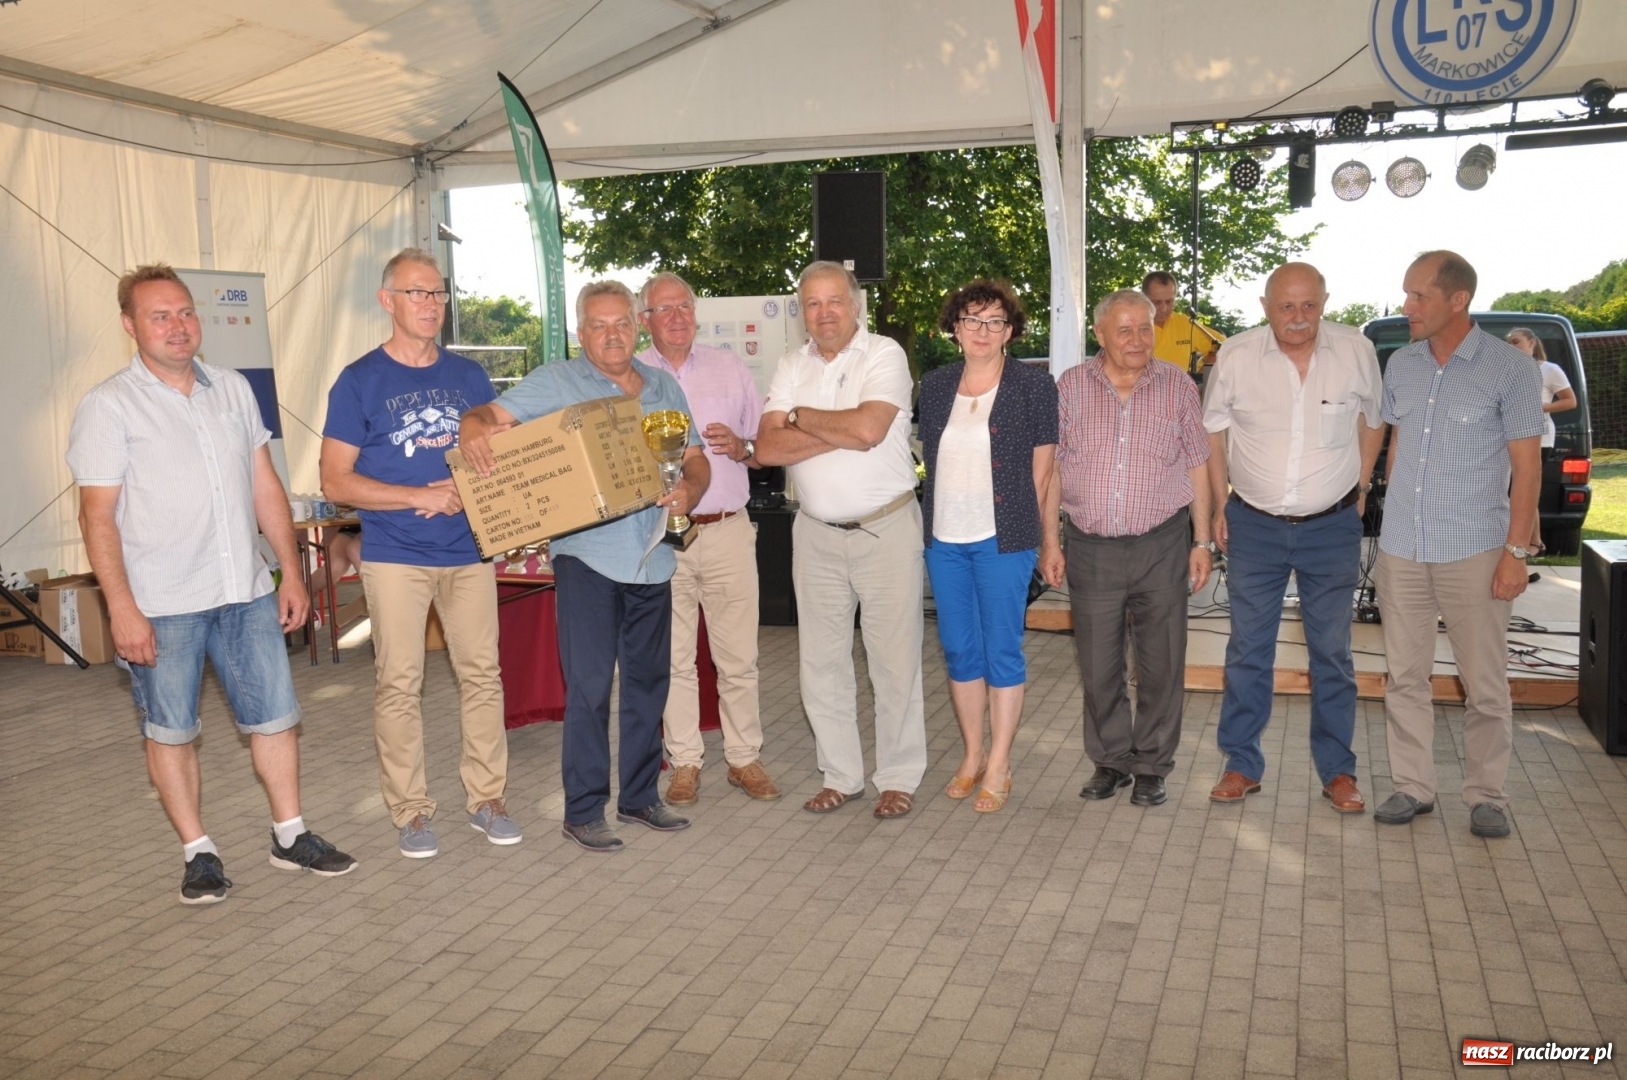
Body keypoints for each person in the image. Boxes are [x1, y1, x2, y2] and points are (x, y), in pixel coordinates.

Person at [67, 264, 356, 905]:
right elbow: (97, 517)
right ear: (129, 325)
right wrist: (122, 609)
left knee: (276, 718)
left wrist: (289, 573)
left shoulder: (231, 388)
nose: (177, 326)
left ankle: (290, 834)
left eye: (184, 312)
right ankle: (199, 853)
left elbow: (263, 485)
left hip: (245, 590)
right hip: (161, 603)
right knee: (171, 729)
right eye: (159, 316)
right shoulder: (108, 405)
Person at [459, 281, 709, 852]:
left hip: (655, 559)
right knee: (590, 689)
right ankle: (583, 809)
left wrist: (690, 492)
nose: (612, 334)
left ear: (637, 327)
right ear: (581, 333)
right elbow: (486, 415)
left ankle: (641, 797)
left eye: (621, 323)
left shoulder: (664, 386)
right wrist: (473, 429)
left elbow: (694, 459)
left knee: (649, 685)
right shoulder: (557, 380)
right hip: (588, 559)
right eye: (598, 325)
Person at [321, 248, 517, 859]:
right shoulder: (358, 381)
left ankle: (487, 800)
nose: (431, 305)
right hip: (395, 554)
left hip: (469, 552)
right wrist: (416, 496)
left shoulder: (470, 378)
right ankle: (410, 812)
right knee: (399, 684)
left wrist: (469, 490)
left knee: (483, 677)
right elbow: (334, 481)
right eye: (417, 293)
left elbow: (500, 457)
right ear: (388, 301)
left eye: (437, 294)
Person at [1202, 262, 1384, 813]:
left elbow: (1373, 420)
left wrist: (1360, 487)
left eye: (1309, 305)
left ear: (1325, 302)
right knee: (1247, 651)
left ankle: (1338, 772)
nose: (1298, 318)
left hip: (1331, 528)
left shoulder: (1356, 351)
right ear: (1265, 306)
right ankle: (1241, 763)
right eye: (1286, 306)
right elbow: (1213, 432)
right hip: (1253, 525)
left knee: (1333, 653)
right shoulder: (1235, 355)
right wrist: (1217, 505)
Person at [1372, 251, 1543, 839]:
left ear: (1457, 300)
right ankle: (1411, 787)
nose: (1407, 306)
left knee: (1485, 684)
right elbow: (1397, 446)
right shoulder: (1402, 364)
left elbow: (1527, 469)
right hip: (1402, 547)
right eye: (1406, 294)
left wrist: (1515, 554)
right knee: (1404, 677)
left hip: (1475, 548)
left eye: (1418, 296)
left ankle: (1487, 795)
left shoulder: (1510, 370)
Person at [755, 261, 927, 819]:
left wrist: (801, 417)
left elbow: (870, 430)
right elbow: (767, 450)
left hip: (886, 529)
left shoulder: (883, 354)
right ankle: (842, 776)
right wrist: (840, 429)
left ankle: (898, 777)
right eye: (812, 303)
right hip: (815, 534)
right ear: (801, 313)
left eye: (834, 301)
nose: (824, 312)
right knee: (821, 664)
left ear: (855, 305)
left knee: (893, 663)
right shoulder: (788, 363)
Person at [1045, 288, 1213, 808]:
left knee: (1163, 661)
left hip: (1162, 541)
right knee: (1098, 665)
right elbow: (1049, 468)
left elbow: (1197, 464)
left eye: (1146, 328)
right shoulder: (1070, 386)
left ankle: (1152, 765)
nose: (1138, 339)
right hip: (1091, 546)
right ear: (1099, 335)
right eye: (1125, 330)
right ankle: (1111, 761)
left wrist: (1202, 539)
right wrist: (1049, 539)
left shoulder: (1178, 386)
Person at [635, 271, 780, 807]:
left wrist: (741, 444)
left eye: (684, 307)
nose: (677, 317)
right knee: (673, 658)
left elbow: (761, 444)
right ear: (644, 320)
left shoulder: (728, 366)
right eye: (664, 309)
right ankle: (685, 763)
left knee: (738, 656)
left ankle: (744, 759)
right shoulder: (630, 376)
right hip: (660, 538)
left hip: (726, 530)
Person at [918, 280, 1059, 813]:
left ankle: (1000, 762)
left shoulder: (1033, 387)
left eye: (995, 321)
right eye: (971, 320)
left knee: (1002, 649)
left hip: (1006, 538)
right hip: (944, 540)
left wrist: (1048, 541)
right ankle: (973, 755)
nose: (982, 331)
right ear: (954, 328)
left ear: (1011, 331)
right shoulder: (933, 387)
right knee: (959, 650)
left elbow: (1045, 473)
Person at [1505, 327, 1576, 562]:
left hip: (1539, 437)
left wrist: (1540, 408)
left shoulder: (1549, 370)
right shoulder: (1507, 371)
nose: (1511, 345)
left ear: (1532, 343)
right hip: (1509, 437)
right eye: (1508, 342)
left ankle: (1533, 542)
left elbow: (1570, 401)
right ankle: (1529, 542)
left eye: (1516, 341)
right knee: (1512, 489)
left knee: (1526, 487)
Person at [1143, 271, 1225, 375]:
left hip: (1180, 390)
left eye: (1169, 302)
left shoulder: (1187, 324)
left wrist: (1200, 377)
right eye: (1157, 302)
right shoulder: (1132, 325)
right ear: (1144, 299)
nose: (1164, 308)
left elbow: (1226, 347)